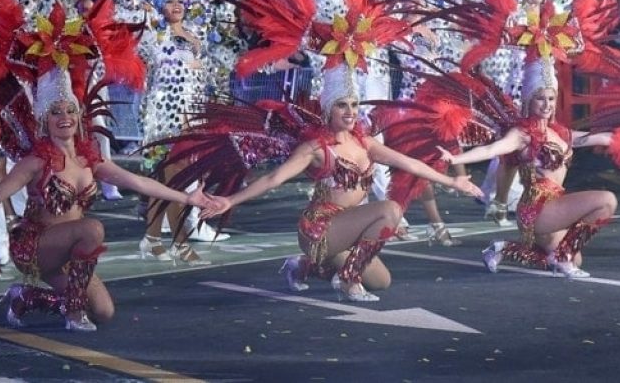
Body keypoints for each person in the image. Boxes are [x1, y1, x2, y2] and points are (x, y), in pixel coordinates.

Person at [0, 82, 223, 331]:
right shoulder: (36, 162)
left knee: (104, 312)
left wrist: (187, 198)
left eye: (70, 110)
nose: (64, 116)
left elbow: (139, 182)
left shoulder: (89, 160)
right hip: (36, 246)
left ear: (80, 117)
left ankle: (25, 296)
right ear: (45, 120)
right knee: (93, 228)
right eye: (55, 112)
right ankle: (73, 312)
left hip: (71, 256)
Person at [201, 65, 482, 302]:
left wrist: (453, 181)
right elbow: (274, 178)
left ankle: (301, 267)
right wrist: (230, 200)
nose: (350, 112)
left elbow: (410, 164)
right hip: (319, 229)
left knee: (381, 281)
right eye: (342, 105)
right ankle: (347, 280)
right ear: (328, 110)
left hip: (349, 227)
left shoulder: (366, 143)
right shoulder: (316, 149)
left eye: (354, 105)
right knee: (390, 209)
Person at [438, 60, 617, 279]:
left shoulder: (559, 133)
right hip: (538, 208)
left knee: (575, 258)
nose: (547, 104)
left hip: (555, 209)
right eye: (540, 98)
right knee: (606, 200)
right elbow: (493, 148)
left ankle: (504, 248)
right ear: (528, 100)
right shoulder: (521, 134)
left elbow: (601, 138)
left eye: (551, 98)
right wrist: (456, 158)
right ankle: (562, 256)